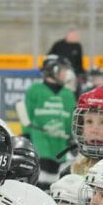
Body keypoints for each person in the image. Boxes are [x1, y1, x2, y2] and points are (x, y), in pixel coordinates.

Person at [15, 55, 76, 189]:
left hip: (60, 141)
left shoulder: (68, 94)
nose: (66, 73)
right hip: (40, 139)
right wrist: (27, 135)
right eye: (63, 70)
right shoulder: (35, 90)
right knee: (42, 173)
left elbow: (72, 117)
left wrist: (72, 136)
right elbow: (28, 114)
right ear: (53, 70)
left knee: (55, 174)